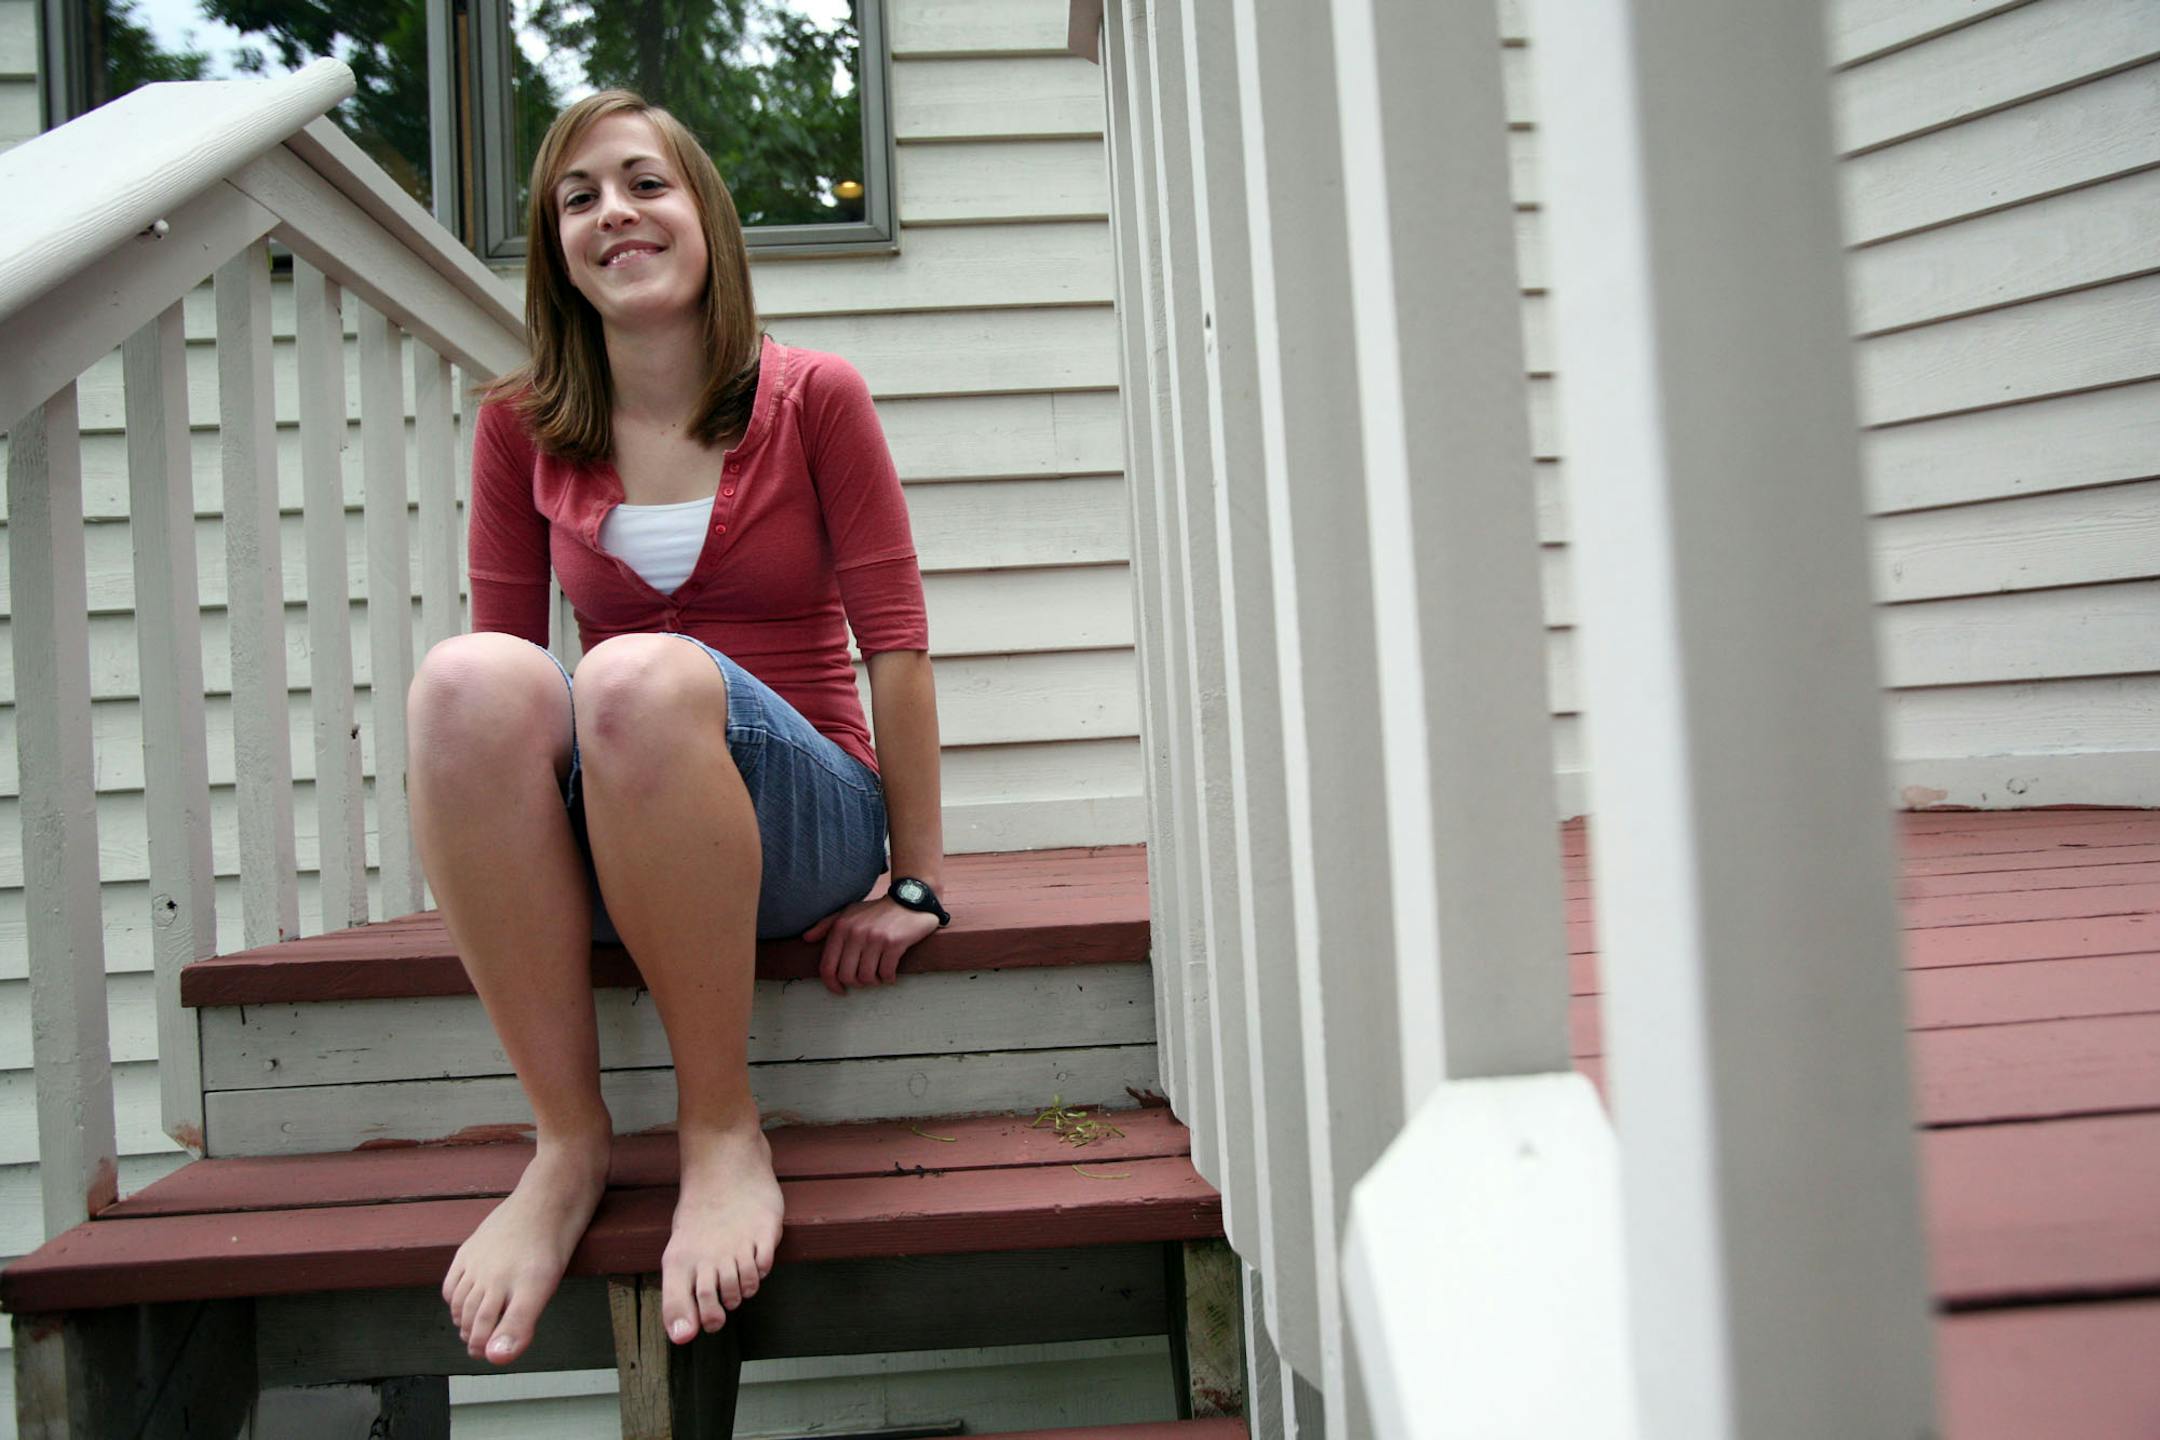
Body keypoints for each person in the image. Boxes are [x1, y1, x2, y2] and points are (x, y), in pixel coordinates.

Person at [405, 89, 949, 1368]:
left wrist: (918, 878)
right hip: (624, 831)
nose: (616, 214)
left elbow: (897, 645)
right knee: (461, 680)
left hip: (799, 816)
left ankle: (719, 1129)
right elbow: (506, 678)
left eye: (645, 183)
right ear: (557, 249)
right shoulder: (521, 422)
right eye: (580, 196)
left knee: (636, 677)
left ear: (704, 213)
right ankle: (569, 1142)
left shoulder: (815, 397)